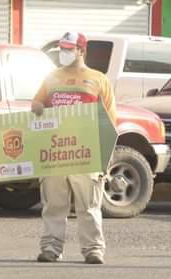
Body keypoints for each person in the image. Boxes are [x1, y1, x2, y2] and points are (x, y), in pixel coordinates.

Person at [31, 32, 116, 265]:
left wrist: (104, 158)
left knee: (88, 206)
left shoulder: (98, 80)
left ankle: (93, 250)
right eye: (61, 48)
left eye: (68, 48)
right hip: (56, 152)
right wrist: (38, 107)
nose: (63, 53)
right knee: (53, 205)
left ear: (81, 51)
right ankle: (50, 248)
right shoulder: (51, 78)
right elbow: (36, 105)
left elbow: (109, 121)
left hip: (86, 154)